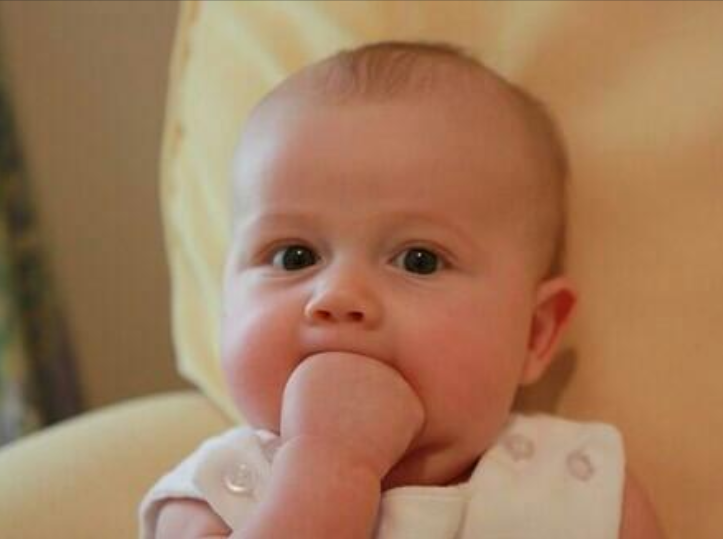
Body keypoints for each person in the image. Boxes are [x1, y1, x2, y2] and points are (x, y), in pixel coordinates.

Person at [140, 40, 663, 538]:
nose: (339, 295)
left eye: (420, 260)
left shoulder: (585, 491)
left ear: (534, 333)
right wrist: (326, 467)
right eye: (293, 257)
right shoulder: (216, 496)